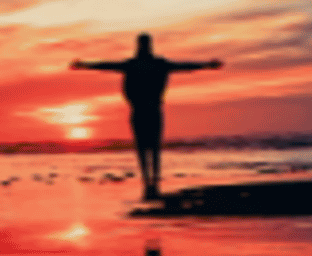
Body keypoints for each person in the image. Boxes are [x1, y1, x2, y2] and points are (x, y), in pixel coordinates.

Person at [69, 33, 223, 200]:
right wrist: (85, 65)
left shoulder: (149, 64)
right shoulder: (140, 64)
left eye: (144, 44)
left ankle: (152, 180)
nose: (143, 47)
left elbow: (185, 66)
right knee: (146, 146)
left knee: (150, 146)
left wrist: (207, 65)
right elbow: (106, 65)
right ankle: (149, 180)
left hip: (149, 109)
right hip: (143, 109)